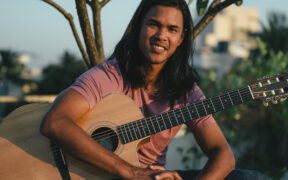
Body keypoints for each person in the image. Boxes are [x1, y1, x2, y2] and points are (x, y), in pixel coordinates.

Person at [40, 0, 253, 179]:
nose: (161, 35)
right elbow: (55, 123)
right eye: (154, 24)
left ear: (181, 38)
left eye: (172, 29)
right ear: (139, 27)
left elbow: (223, 155)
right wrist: (132, 172)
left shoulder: (186, 92)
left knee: (247, 178)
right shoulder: (109, 76)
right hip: (105, 174)